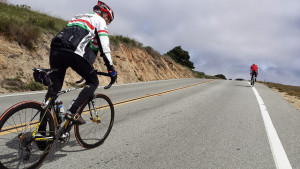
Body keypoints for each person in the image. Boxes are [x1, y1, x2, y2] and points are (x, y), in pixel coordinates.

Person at [46, 1, 117, 125]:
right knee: (94, 81)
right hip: (71, 52)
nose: (107, 23)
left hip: (55, 49)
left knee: (53, 90)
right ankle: (72, 112)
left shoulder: (77, 16)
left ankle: (42, 134)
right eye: (108, 20)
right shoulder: (99, 20)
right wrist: (111, 69)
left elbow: (87, 45)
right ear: (105, 15)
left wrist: (87, 67)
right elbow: (104, 47)